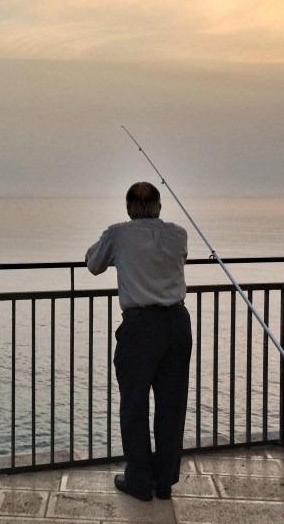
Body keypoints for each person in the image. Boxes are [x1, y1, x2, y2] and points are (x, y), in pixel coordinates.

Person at [85, 181, 192, 501]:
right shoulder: (178, 234)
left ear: (129, 207)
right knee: (172, 405)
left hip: (141, 327)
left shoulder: (119, 234)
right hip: (177, 323)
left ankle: (139, 480)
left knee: (134, 404)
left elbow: (93, 264)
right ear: (159, 206)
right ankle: (164, 481)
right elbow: (175, 261)